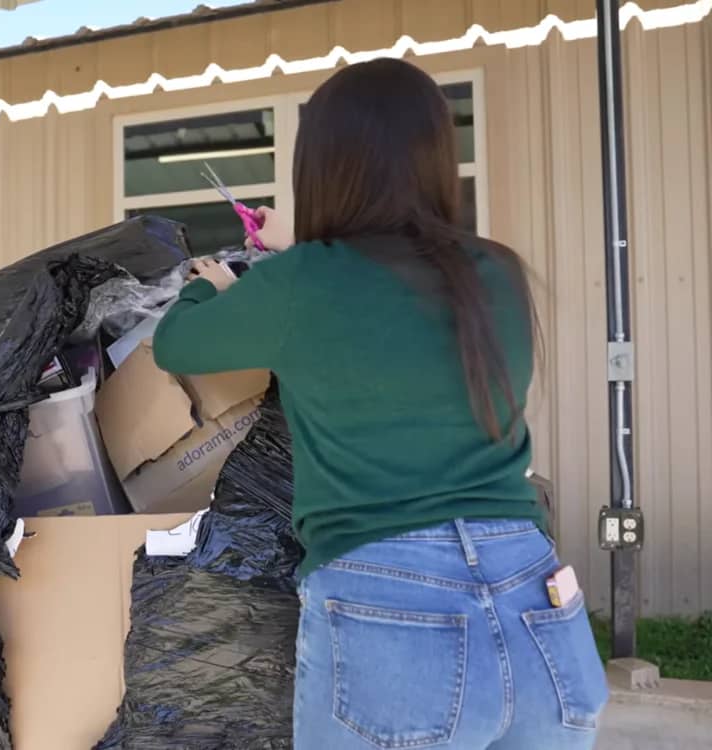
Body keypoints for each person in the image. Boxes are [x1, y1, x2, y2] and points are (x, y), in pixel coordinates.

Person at [151, 58, 608, 749]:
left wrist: (209, 285)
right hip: (536, 603)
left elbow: (176, 344)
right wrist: (298, 253)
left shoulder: (301, 283)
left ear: (323, 167)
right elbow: (387, 303)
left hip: (392, 611)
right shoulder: (495, 273)